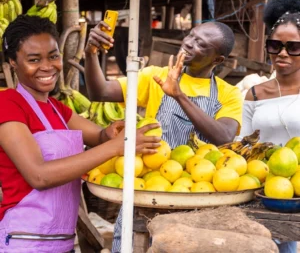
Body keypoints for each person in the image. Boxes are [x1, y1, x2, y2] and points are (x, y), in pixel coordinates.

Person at [0, 15, 161, 253]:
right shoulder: (7, 104)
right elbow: (39, 176)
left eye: (53, 56)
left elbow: (98, 137)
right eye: (34, 60)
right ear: (13, 62)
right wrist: (118, 146)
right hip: (24, 241)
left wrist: (111, 132)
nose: (47, 66)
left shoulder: (57, 108)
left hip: (62, 241)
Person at [84, 20, 243, 252]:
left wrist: (179, 95)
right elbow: (100, 91)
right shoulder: (154, 77)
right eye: (190, 35)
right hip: (147, 190)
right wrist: (90, 54)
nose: (188, 43)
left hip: (197, 197)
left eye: (201, 44)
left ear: (218, 59)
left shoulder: (229, 94)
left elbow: (224, 137)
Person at [239, 0, 300, 253]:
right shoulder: (254, 93)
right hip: (263, 193)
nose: (283, 54)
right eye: (275, 46)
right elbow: (243, 145)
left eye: (294, 47)